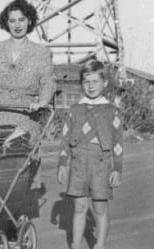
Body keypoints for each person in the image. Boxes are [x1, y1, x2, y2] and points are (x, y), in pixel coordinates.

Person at [57, 60, 123, 249]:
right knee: (79, 207)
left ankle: (100, 245)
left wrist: (117, 169)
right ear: (81, 84)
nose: (91, 86)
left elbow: (118, 143)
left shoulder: (112, 111)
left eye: (95, 81)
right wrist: (63, 163)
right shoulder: (74, 110)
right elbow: (65, 139)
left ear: (105, 83)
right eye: (87, 82)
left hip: (101, 164)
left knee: (100, 208)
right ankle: (76, 245)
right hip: (78, 164)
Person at [0, 0, 56, 144]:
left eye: (22, 20)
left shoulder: (42, 52)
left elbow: (47, 82)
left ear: (30, 21)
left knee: (21, 161)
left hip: (26, 118)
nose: (17, 25)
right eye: (12, 21)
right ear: (6, 23)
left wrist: (42, 102)